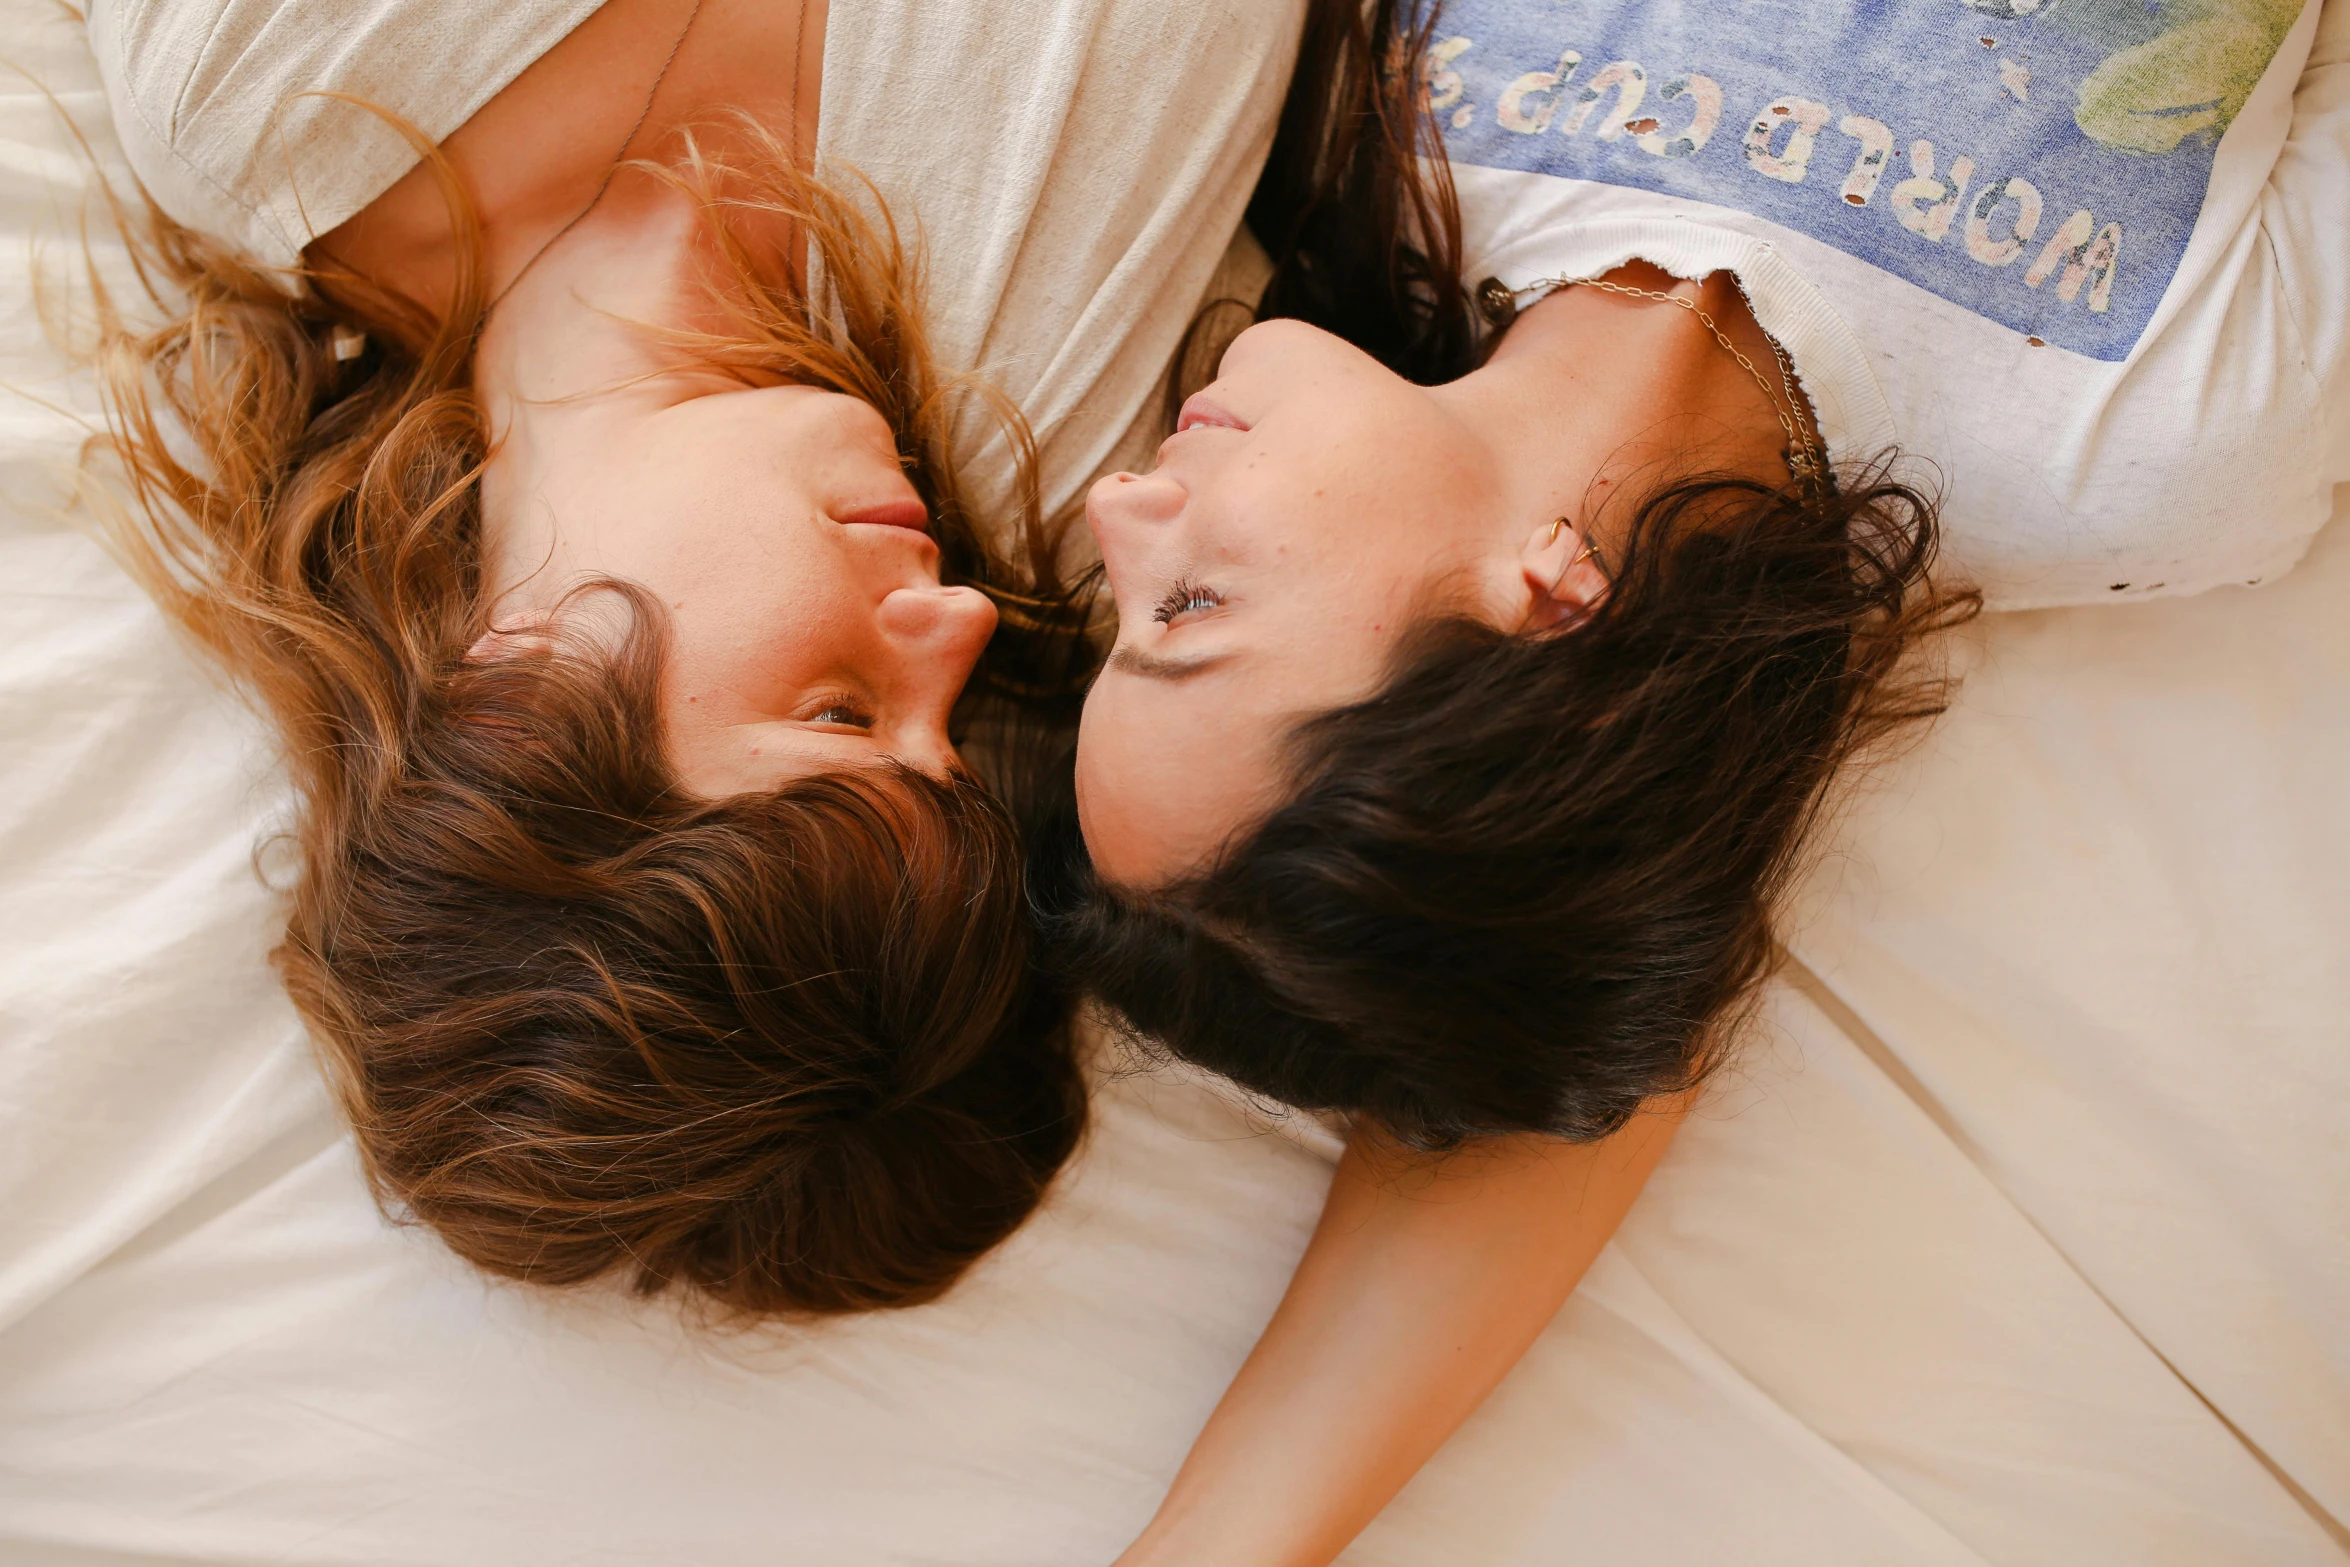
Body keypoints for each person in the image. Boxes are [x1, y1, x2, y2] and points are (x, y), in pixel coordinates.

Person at [1052, 0, 2350, 1560]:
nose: (1124, 504)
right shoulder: (2145, 442)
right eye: (1185, 613)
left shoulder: (1353, 150)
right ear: (1535, 624)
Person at [78, 0, 1307, 1315]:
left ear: (516, 698)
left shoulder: (260, 79)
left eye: (842, 713)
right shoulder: (1076, 467)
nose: (956, 625)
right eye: (944, 735)